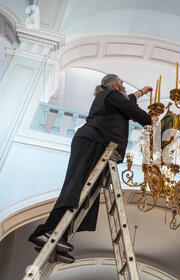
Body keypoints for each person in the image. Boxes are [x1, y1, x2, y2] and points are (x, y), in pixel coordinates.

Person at [28, 74, 156, 263]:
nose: (124, 88)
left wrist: (143, 91)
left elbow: (128, 100)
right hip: (92, 141)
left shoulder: (111, 97)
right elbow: (132, 109)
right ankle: (47, 231)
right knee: (76, 185)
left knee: (85, 195)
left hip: (97, 143)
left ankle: (58, 238)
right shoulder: (112, 96)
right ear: (115, 85)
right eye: (122, 84)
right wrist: (148, 119)